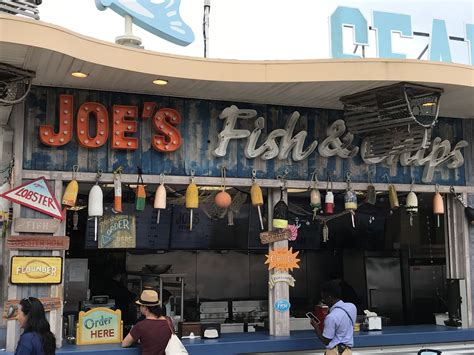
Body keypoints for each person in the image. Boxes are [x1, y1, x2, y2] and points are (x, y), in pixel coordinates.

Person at [311, 280, 357, 355]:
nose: (323, 301)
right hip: (347, 351)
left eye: (324, 298)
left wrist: (316, 327)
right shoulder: (352, 307)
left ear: (330, 298)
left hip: (334, 352)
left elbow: (326, 341)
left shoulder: (331, 317)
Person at [122, 289, 172, 355]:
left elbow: (125, 344)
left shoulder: (140, 325)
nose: (139, 308)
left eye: (140, 306)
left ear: (145, 308)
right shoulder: (168, 322)